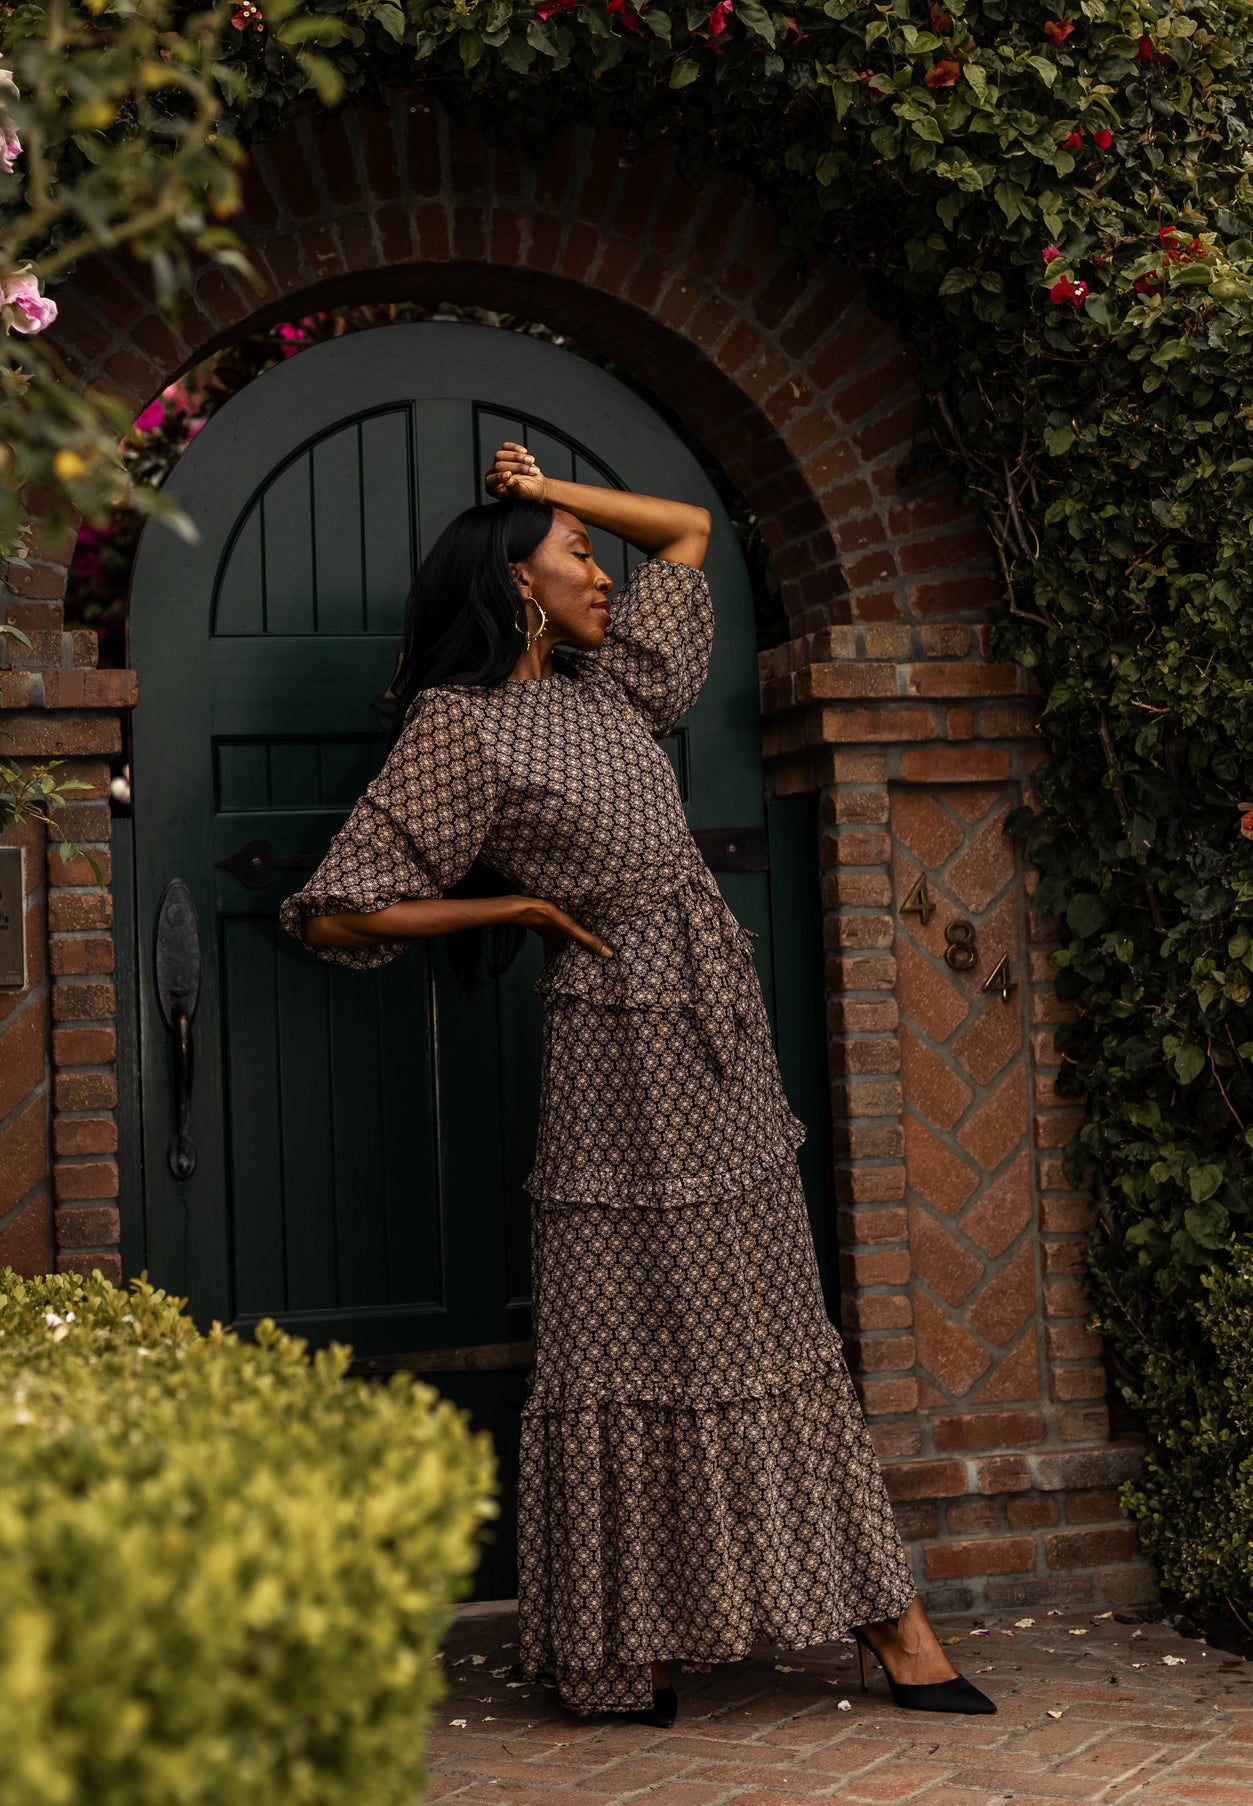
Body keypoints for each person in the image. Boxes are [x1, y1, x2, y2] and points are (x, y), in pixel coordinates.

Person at [279, 443, 995, 1723]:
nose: (597, 574)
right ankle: (636, 1637)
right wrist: (508, 902)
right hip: (612, 1055)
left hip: (711, 1029)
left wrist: (550, 489)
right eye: (569, 558)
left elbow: (681, 531)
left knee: (767, 1308)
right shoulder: (461, 727)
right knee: (625, 1327)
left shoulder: (620, 691)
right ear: (511, 588)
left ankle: (894, 1621)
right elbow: (337, 912)